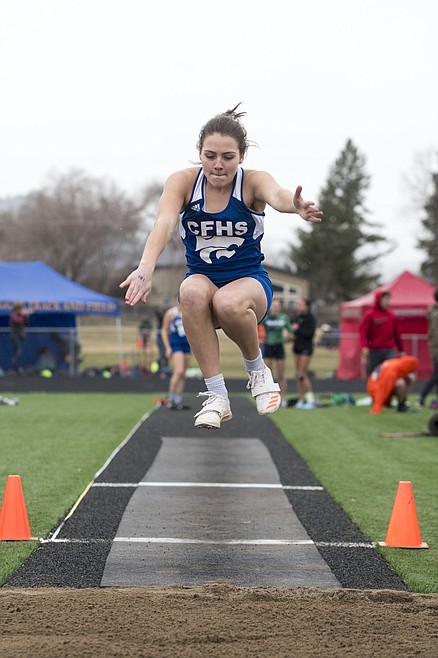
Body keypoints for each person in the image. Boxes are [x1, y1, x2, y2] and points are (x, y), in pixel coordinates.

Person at [120, 104, 322, 429]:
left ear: (241, 156)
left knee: (227, 301)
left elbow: (277, 194)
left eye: (227, 157)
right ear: (199, 154)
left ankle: (257, 370)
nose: (218, 165)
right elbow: (165, 223)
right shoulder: (183, 182)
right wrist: (145, 268)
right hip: (203, 280)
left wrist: (293, 206)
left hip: (249, 284)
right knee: (189, 291)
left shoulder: (252, 181)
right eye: (210, 155)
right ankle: (217, 395)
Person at [359, 290, 404, 376]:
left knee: (392, 372)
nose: (387, 302)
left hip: (389, 349)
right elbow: (363, 332)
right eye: (384, 299)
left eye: (388, 299)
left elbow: (397, 334)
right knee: (374, 375)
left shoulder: (391, 315)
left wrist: (401, 350)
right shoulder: (370, 315)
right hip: (374, 350)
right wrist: (364, 346)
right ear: (379, 300)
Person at [261, 298, 294, 406]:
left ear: (280, 307)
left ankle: (283, 398)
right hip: (268, 346)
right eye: (274, 305)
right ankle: (269, 398)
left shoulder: (283, 318)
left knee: (281, 375)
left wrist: (289, 337)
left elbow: (291, 331)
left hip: (279, 346)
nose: (275, 307)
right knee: (268, 375)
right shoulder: (266, 317)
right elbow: (256, 325)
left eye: (277, 305)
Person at [161, 301, 192, 410]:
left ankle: (178, 400)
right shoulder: (171, 313)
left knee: (183, 373)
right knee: (178, 371)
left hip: (187, 344)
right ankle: (170, 399)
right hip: (176, 344)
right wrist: (167, 347)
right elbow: (164, 330)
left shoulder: (188, 312)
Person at [291, 298, 317, 409]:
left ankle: (311, 400)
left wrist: (298, 329)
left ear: (307, 306)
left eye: (301, 304)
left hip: (306, 349)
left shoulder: (311, 318)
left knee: (302, 375)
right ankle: (300, 400)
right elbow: (295, 330)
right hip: (297, 348)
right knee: (298, 375)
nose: (299, 306)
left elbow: (310, 333)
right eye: (298, 304)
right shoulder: (297, 317)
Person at [417, 288, 438, 408]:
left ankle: (425, 398)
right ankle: (421, 397)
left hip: (435, 348)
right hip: (437, 349)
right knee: (436, 375)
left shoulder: (433, 312)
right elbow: (436, 334)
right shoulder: (436, 314)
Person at [9, 303, 29, 373]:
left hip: (20, 336)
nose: (22, 310)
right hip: (15, 336)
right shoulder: (13, 315)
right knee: (17, 352)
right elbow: (18, 320)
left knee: (18, 352)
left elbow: (25, 323)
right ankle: (14, 367)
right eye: (21, 308)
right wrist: (23, 315)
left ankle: (16, 368)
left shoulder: (21, 316)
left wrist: (27, 316)